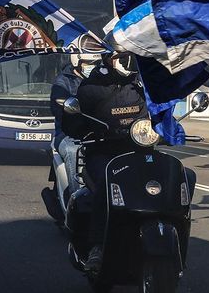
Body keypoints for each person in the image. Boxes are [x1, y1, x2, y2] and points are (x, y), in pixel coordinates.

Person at [61, 51, 147, 273]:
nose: (130, 59)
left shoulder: (142, 84)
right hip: (103, 153)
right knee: (105, 185)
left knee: (181, 176)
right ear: (110, 56)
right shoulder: (91, 88)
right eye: (124, 54)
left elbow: (156, 113)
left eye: (133, 53)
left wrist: (169, 129)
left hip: (139, 152)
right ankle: (97, 247)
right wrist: (88, 129)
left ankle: (176, 236)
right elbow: (72, 124)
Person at [48, 53, 100, 198]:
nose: (93, 66)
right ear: (77, 61)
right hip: (69, 134)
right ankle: (77, 198)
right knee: (73, 151)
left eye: (96, 63)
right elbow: (58, 108)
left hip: (100, 133)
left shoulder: (101, 80)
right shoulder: (63, 82)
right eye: (88, 63)